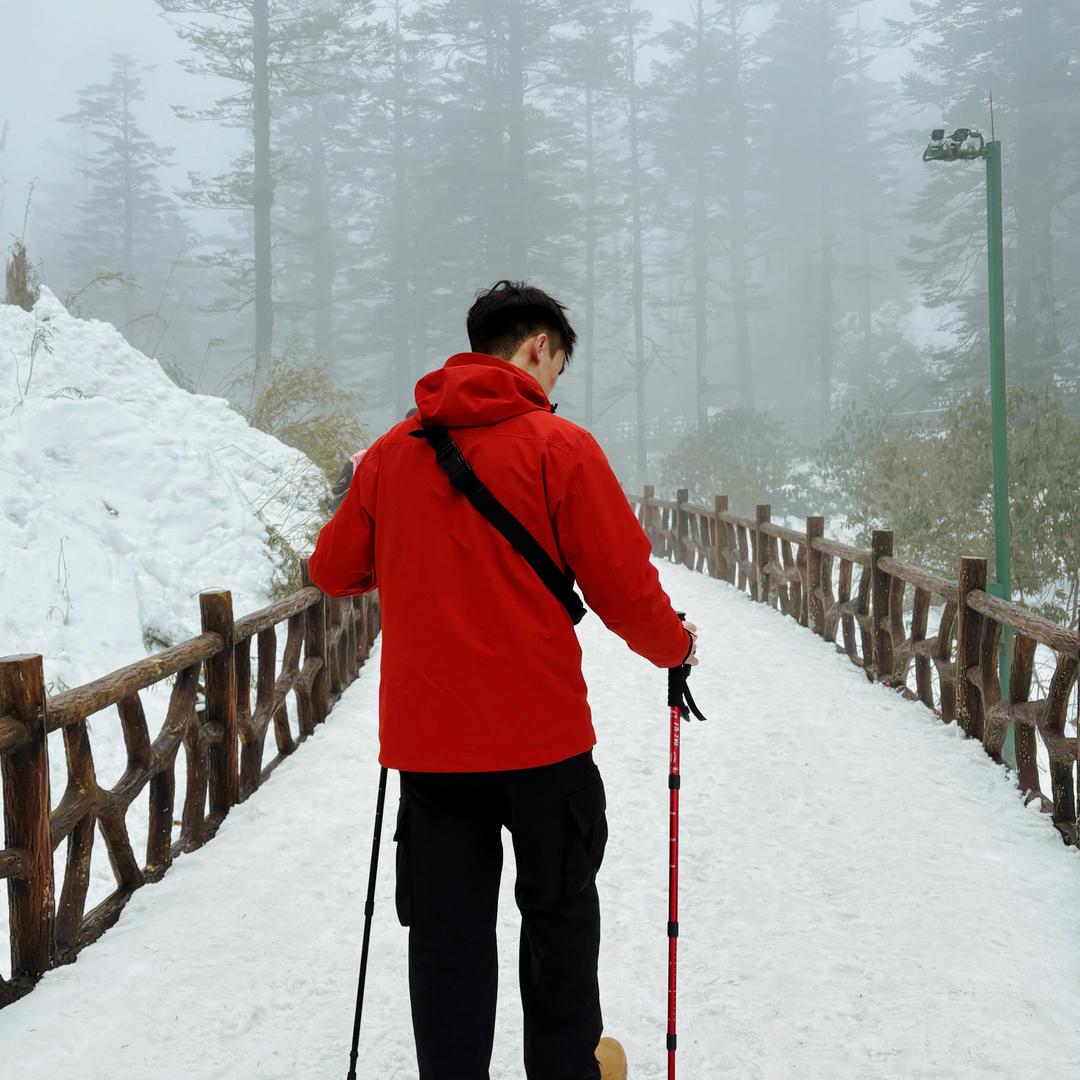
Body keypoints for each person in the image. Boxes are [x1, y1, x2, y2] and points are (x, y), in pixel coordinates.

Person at [309, 280, 698, 1080]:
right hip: (544, 745)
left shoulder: (390, 455)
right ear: (537, 348)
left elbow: (333, 570)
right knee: (557, 919)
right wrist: (676, 648)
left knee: (447, 936)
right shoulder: (561, 449)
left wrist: (369, 497)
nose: (554, 386)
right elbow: (623, 590)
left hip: (431, 751)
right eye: (558, 366)